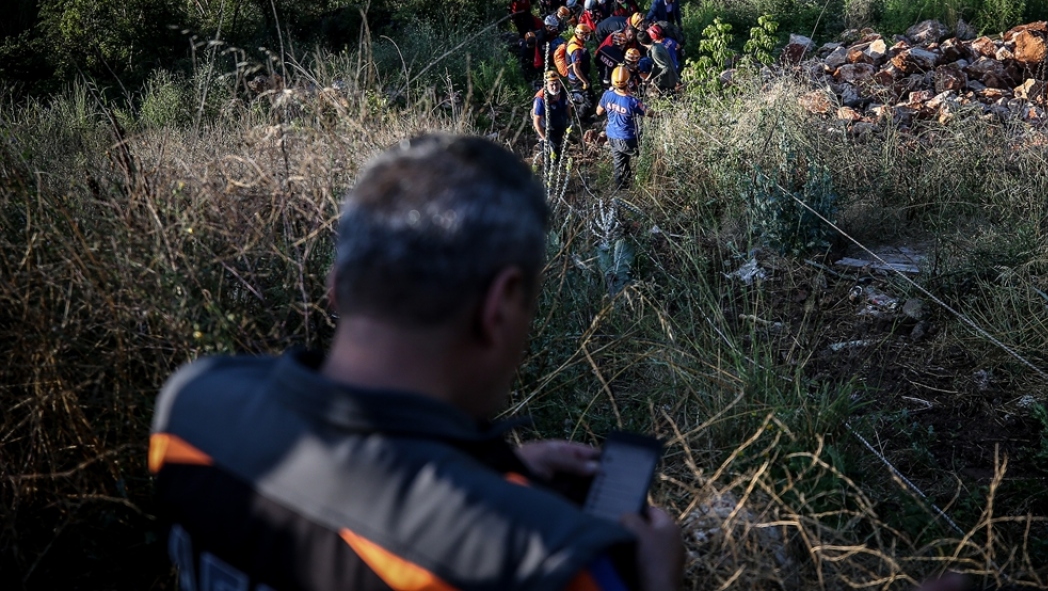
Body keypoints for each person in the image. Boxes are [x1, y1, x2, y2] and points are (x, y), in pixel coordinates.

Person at [149, 133, 685, 591]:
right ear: (497, 308)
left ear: (337, 285)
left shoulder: (191, 406)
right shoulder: (547, 559)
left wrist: (490, 473)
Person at [597, 67, 647, 191]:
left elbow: (598, 112)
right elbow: (647, 112)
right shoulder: (632, 101)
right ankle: (644, 180)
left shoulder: (607, 95)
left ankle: (622, 189)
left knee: (620, 163)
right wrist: (660, 113)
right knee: (646, 153)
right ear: (628, 81)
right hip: (628, 139)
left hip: (612, 136)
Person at [533, 70, 571, 158]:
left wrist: (570, 119)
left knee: (558, 151)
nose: (555, 87)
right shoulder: (541, 99)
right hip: (547, 131)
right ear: (546, 85)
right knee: (549, 155)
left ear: (560, 83)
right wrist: (546, 140)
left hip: (559, 127)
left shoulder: (562, 92)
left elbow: (567, 105)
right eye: (551, 85)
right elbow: (537, 123)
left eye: (556, 84)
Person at [640, 25, 678, 93]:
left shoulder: (655, 51)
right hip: (672, 74)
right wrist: (649, 78)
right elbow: (657, 66)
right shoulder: (659, 45)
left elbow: (665, 68)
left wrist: (654, 80)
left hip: (668, 81)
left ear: (641, 43)